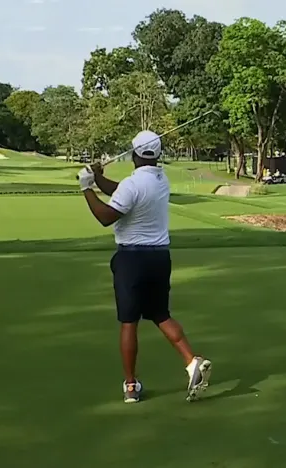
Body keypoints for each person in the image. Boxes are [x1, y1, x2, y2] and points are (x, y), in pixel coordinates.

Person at [77, 130, 213, 404]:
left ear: (133, 154)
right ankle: (192, 361)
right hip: (159, 259)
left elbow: (106, 216)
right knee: (161, 314)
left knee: (129, 322)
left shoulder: (132, 184)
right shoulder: (161, 180)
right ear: (158, 154)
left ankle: (130, 386)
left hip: (132, 261)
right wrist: (99, 178)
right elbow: (122, 192)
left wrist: (86, 187)